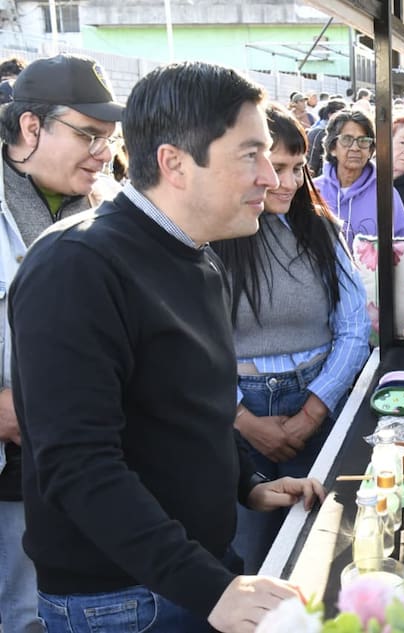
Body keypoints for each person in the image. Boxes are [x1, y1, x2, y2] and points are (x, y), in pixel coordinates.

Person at [10, 61, 326, 633]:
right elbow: (78, 465)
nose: (272, 178)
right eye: (249, 155)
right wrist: (209, 588)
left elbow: (187, 406)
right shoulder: (76, 266)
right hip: (125, 600)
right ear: (174, 162)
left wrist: (247, 484)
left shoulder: (194, 254)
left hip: (192, 573)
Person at [213, 104, 370, 573]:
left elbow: (354, 328)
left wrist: (312, 411)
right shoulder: (216, 239)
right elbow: (199, 347)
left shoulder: (320, 230)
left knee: (324, 545)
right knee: (250, 552)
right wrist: (243, 419)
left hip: (318, 396)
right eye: (276, 167)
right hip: (240, 410)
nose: (288, 180)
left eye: (297, 167)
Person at [0, 53, 124, 633]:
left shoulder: (105, 208)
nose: (103, 152)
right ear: (31, 127)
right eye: (90, 135)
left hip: (69, 469)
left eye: (109, 138)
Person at [315, 108, 404, 248]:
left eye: (363, 141)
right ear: (332, 148)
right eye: (346, 140)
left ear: (370, 150)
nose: (355, 148)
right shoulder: (314, 191)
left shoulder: (385, 193)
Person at [306, 98, 346, 175]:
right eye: (343, 113)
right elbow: (311, 162)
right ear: (331, 115)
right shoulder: (318, 132)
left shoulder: (340, 132)